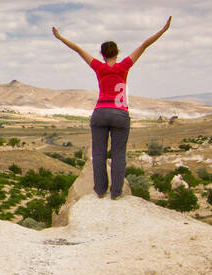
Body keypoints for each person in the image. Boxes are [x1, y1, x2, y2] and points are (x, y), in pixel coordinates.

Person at [52, 17, 171, 199]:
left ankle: (100, 190)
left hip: (100, 112)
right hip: (120, 113)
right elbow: (145, 45)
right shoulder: (124, 66)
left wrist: (59, 37)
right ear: (117, 52)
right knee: (118, 154)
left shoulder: (99, 67)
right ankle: (116, 192)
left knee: (98, 154)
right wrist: (163, 30)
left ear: (102, 54)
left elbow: (77, 49)